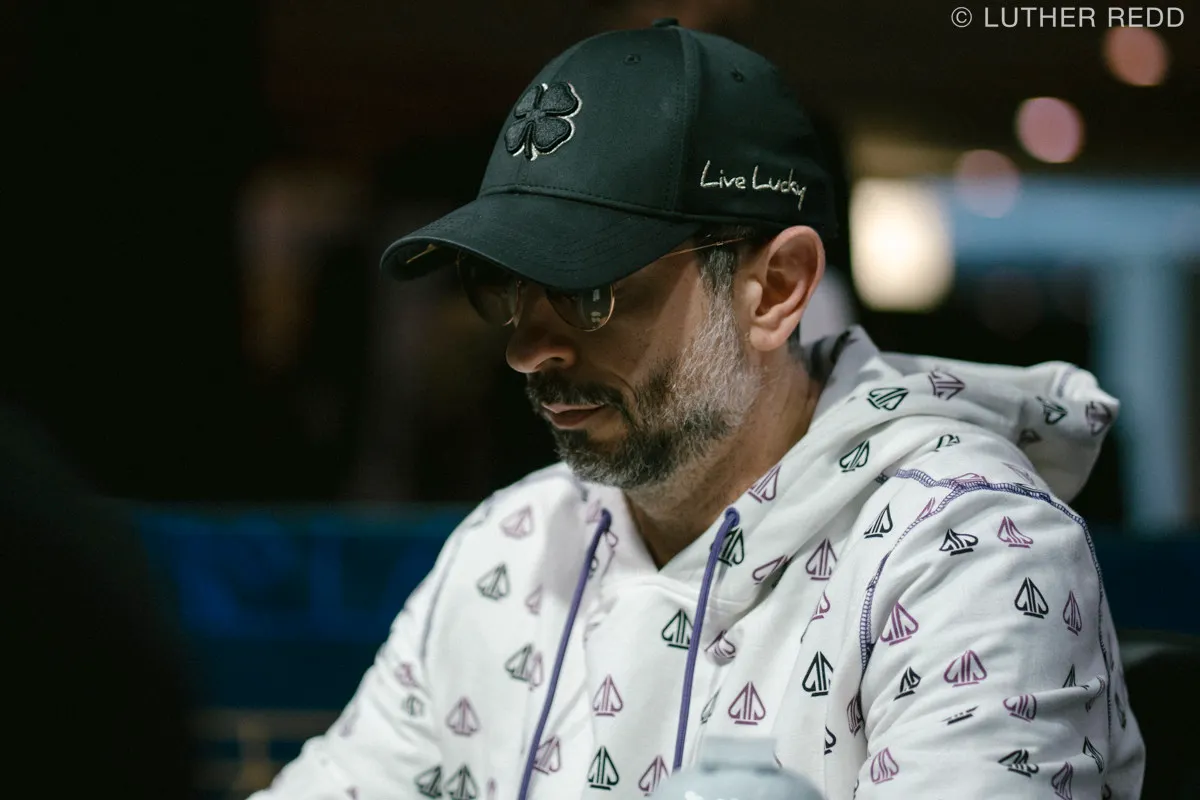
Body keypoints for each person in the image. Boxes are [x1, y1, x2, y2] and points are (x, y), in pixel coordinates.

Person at [253, 19, 1144, 799]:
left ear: (776, 287)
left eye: (590, 292)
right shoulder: (512, 548)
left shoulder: (967, 556)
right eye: (505, 289)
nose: (527, 349)